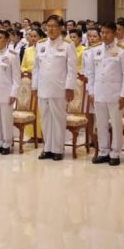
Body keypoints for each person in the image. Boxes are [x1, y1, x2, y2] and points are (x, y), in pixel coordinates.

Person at [86, 23, 124, 166]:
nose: (104, 35)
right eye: (102, 32)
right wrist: (91, 92)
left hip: (115, 94)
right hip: (99, 93)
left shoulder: (122, 50)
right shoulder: (95, 50)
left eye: (107, 32)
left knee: (116, 124)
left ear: (114, 33)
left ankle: (115, 153)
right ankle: (103, 151)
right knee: (101, 124)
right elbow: (90, 73)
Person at [33, 17, 77, 161]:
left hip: (59, 89)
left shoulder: (67, 45)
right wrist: (34, 86)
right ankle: (47, 148)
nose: (50, 29)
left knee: (58, 119)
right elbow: (36, 68)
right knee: (45, 119)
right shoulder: (40, 44)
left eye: (54, 26)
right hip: (43, 88)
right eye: (48, 26)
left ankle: (58, 149)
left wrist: (69, 87)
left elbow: (72, 69)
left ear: (60, 28)